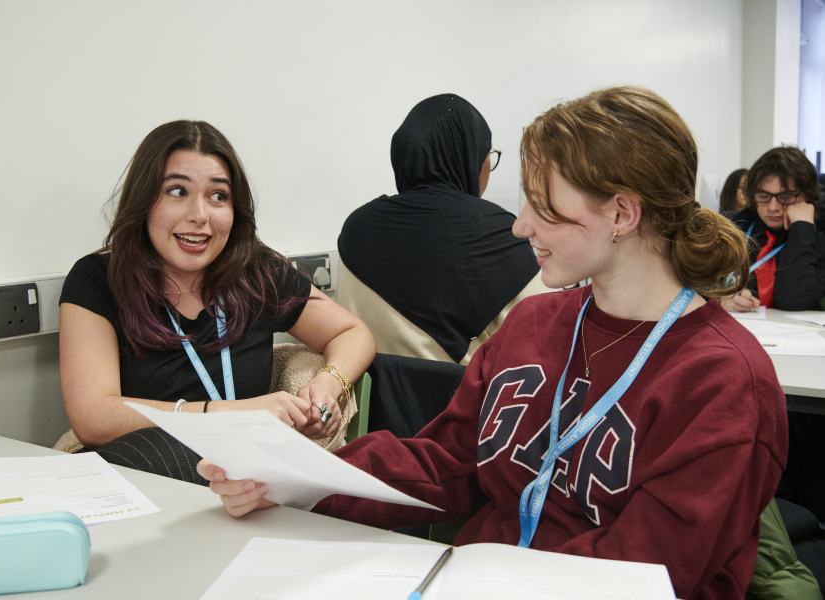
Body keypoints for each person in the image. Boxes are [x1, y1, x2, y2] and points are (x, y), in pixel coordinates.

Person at [199, 87, 789, 600]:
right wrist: (301, 478)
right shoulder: (535, 323)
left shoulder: (723, 381)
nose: (519, 225)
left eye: (543, 206)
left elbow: (654, 570)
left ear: (622, 214)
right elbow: (451, 463)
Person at [59, 120, 376, 483]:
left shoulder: (256, 273)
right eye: (177, 191)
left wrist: (328, 385)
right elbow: (93, 418)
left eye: (218, 195)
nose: (199, 215)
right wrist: (232, 414)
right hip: (145, 481)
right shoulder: (97, 279)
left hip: (246, 489)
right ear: (144, 200)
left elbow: (353, 331)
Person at [336, 94, 551, 365]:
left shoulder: (355, 229)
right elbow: (548, 336)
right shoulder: (499, 234)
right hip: (468, 405)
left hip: (369, 404)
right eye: (488, 155)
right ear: (467, 159)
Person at [721, 147, 825, 313]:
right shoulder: (734, 227)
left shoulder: (819, 237)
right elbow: (696, 285)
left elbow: (794, 301)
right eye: (763, 195)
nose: (773, 207)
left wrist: (801, 229)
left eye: (785, 197)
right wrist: (721, 298)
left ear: (808, 195)